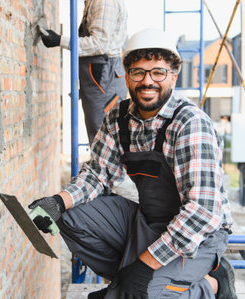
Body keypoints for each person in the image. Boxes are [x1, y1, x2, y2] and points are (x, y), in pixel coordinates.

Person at [30, 28, 236, 299]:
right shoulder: (118, 115)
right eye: (138, 72)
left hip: (199, 235)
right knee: (69, 215)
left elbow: (201, 213)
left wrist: (144, 267)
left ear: (173, 76)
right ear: (126, 76)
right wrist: (58, 202)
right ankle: (132, 286)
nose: (147, 81)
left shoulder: (189, 124)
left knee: (142, 292)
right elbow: (97, 173)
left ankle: (211, 284)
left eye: (158, 72)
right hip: (149, 221)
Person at [40, 0, 128, 144]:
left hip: (104, 73)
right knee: (98, 134)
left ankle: (103, 167)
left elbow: (99, 43)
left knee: (102, 134)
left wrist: (60, 40)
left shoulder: (104, 2)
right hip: (99, 72)